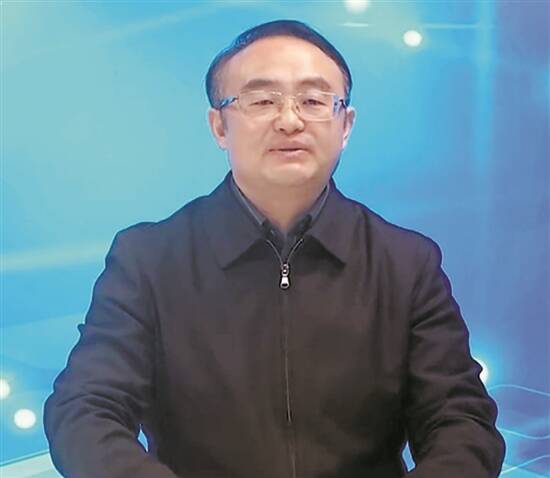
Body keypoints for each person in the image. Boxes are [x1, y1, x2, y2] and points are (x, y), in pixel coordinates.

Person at [44, 19, 505, 478]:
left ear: (345, 125)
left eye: (313, 101)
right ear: (219, 126)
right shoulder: (148, 259)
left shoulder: (405, 263)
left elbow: (461, 421)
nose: (289, 120)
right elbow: (85, 410)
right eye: (263, 101)